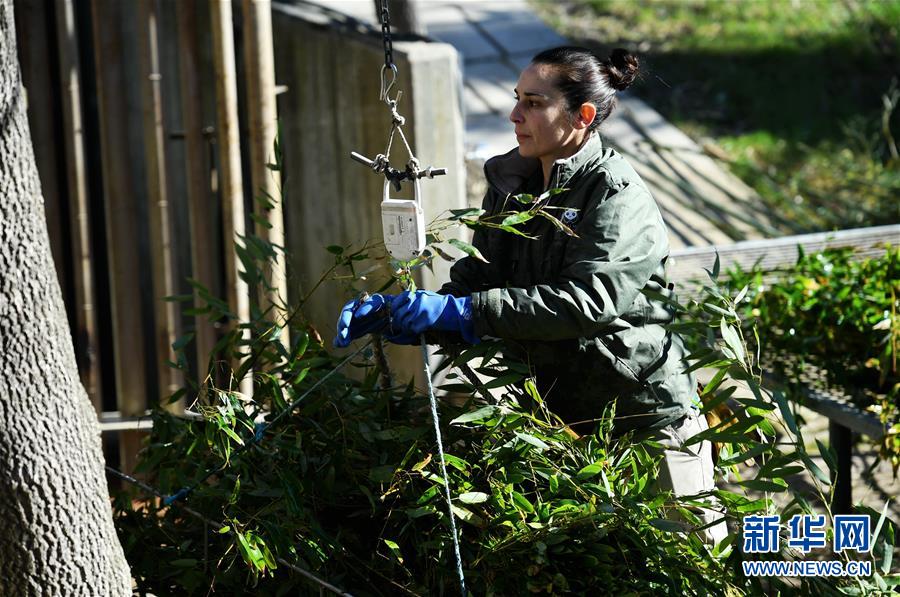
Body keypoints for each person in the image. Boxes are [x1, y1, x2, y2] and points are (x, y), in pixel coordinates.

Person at [334, 46, 726, 544]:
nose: (514, 115)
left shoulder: (615, 194)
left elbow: (587, 302)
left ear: (582, 116)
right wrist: (412, 315)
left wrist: (464, 313)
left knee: (688, 558)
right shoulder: (510, 184)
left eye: (535, 103)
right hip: (558, 421)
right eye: (517, 98)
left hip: (640, 418)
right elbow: (479, 282)